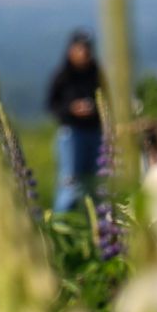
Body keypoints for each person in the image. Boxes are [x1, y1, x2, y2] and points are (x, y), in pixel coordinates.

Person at [45, 30, 106, 212]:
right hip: (71, 134)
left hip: (95, 132)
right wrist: (72, 109)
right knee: (70, 183)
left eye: (87, 49)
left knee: (96, 183)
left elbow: (109, 101)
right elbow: (51, 105)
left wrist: (95, 108)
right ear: (71, 50)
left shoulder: (97, 73)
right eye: (80, 48)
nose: (84, 53)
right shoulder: (63, 75)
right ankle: (61, 225)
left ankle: (97, 228)